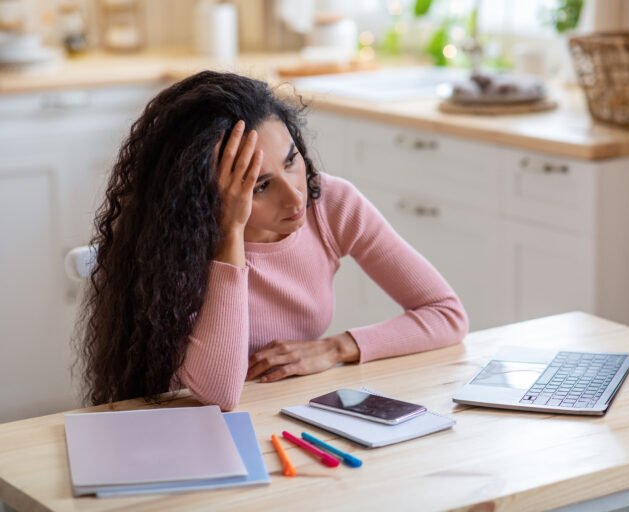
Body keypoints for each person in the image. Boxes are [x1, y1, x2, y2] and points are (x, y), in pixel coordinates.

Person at [76, 70, 468, 410]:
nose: (296, 197)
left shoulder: (330, 203)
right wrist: (230, 234)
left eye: (291, 161)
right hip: (191, 429)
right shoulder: (179, 245)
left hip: (286, 415)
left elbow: (446, 314)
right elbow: (220, 393)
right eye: (261, 185)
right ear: (203, 197)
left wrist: (335, 348)